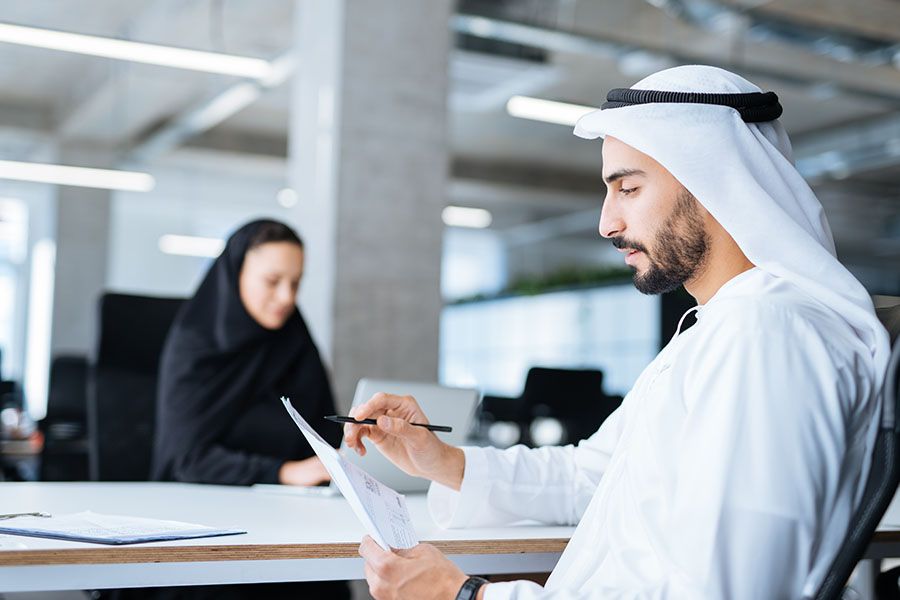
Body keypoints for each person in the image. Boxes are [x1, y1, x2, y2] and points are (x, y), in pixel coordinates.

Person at [345, 65, 891, 600]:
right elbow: (596, 474)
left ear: (712, 182)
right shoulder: (718, 330)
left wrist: (462, 594)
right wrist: (441, 460)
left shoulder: (766, 337)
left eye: (628, 188)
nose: (607, 223)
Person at [148, 218, 349, 600]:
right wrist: (285, 472)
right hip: (208, 530)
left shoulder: (296, 343)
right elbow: (186, 460)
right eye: (273, 281)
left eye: (296, 283)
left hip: (295, 525)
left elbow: (325, 438)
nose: (287, 297)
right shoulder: (195, 346)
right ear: (236, 274)